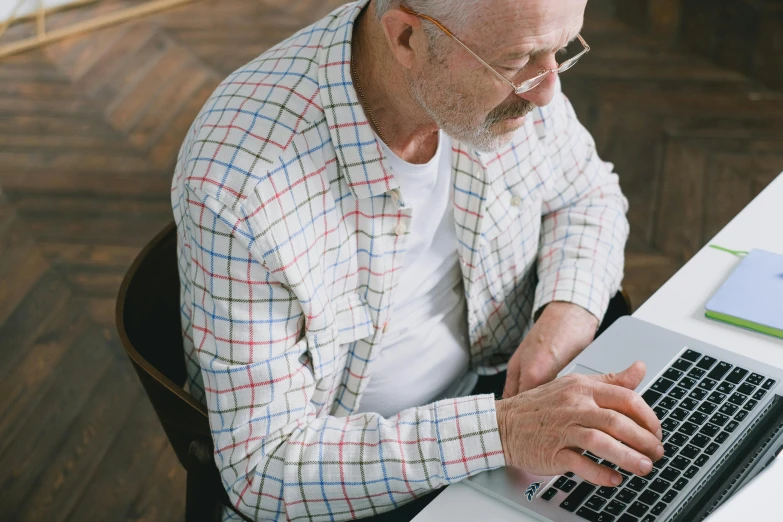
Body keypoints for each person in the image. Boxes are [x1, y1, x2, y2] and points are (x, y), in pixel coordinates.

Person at [171, 0, 663, 520]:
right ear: (407, 38)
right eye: (519, 60)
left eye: (562, 50)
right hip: (351, 484)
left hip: (497, 395)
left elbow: (588, 196)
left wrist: (565, 316)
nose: (548, 91)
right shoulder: (240, 187)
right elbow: (264, 468)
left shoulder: (506, 61)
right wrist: (502, 431)